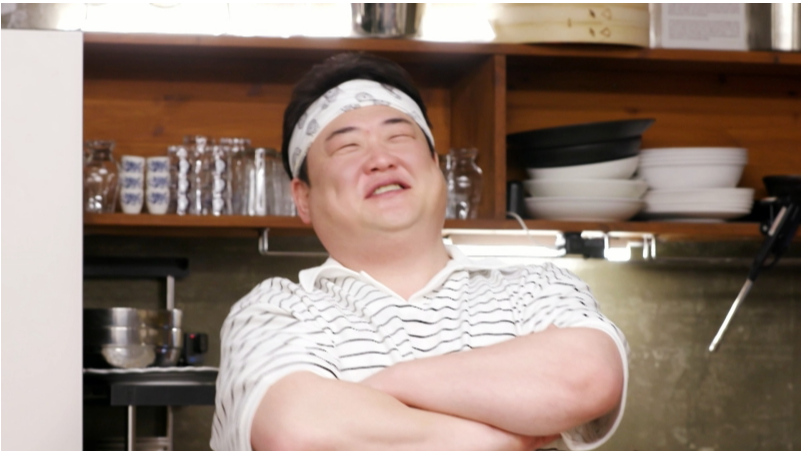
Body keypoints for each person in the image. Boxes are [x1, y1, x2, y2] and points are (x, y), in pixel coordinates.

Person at [210, 53, 629, 451]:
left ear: (436, 166)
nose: (380, 159)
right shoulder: (273, 310)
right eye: (347, 147)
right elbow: (297, 431)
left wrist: (388, 384)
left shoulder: (536, 286)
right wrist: (495, 440)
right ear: (303, 197)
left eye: (399, 136)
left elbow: (587, 377)